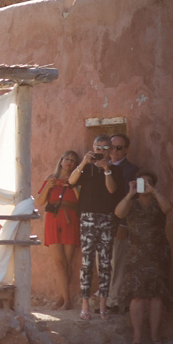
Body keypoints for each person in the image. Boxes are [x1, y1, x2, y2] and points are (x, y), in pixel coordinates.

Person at [113, 170, 172, 344]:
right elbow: (118, 213)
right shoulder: (132, 204)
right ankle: (137, 337)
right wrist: (130, 194)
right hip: (136, 254)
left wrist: (154, 191)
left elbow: (168, 208)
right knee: (137, 296)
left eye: (148, 182)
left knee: (156, 296)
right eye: (141, 182)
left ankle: (155, 336)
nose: (144, 185)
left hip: (158, 253)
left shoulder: (158, 201)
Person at [68, 135, 121, 320]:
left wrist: (107, 170)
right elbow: (72, 181)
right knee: (87, 262)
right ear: (93, 148)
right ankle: (85, 306)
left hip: (106, 217)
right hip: (88, 217)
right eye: (98, 147)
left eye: (106, 148)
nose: (102, 151)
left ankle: (103, 306)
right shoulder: (86, 168)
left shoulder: (116, 170)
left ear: (110, 150)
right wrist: (83, 163)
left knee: (106, 263)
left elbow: (112, 190)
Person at [37, 151, 81, 311]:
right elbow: (40, 202)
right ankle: (66, 300)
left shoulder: (76, 179)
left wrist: (73, 185)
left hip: (70, 219)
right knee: (60, 263)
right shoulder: (51, 178)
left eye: (73, 160)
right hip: (53, 219)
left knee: (68, 263)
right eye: (66, 158)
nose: (69, 162)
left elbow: (81, 201)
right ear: (61, 160)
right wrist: (47, 187)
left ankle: (63, 299)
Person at [106, 134, 142, 312]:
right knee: (103, 263)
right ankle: (105, 300)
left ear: (126, 150)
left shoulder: (134, 171)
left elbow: (136, 199)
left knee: (117, 262)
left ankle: (114, 301)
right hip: (101, 223)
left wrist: (124, 224)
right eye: (111, 147)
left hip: (118, 223)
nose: (114, 151)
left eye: (119, 148)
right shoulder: (101, 167)